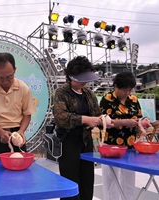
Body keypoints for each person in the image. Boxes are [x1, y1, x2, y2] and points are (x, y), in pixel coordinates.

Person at [53, 56, 102, 200]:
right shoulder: (61, 92)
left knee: (87, 180)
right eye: (81, 78)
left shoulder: (89, 94)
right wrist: (85, 119)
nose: (84, 82)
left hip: (86, 142)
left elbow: (97, 114)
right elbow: (61, 117)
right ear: (72, 76)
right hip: (68, 142)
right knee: (70, 182)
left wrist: (102, 119)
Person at [0, 52, 36, 161]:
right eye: (0, 78)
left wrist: (21, 131)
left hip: (17, 134)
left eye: (9, 77)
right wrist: (1, 132)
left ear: (15, 69)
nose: (5, 81)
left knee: (19, 170)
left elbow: (27, 114)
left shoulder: (23, 88)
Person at [99, 71, 144, 200]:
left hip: (129, 146)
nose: (128, 93)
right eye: (125, 90)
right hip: (111, 146)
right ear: (116, 86)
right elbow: (101, 121)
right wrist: (123, 122)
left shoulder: (134, 100)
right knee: (110, 180)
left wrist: (143, 122)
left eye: (130, 90)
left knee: (129, 180)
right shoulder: (107, 100)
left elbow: (139, 117)